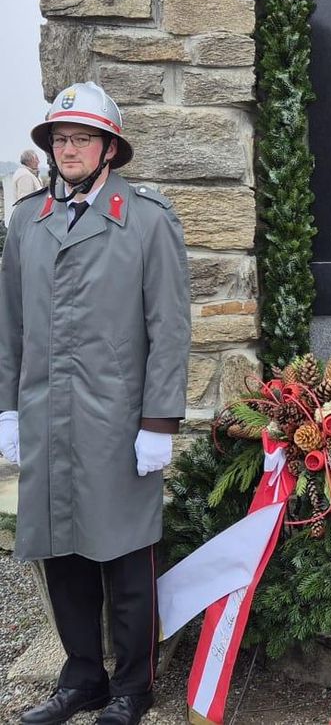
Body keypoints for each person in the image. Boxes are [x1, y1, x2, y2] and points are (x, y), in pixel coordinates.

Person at [0, 82, 191, 725]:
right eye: (60, 138)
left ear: (110, 148)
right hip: (47, 415)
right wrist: (7, 409)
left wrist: (159, 421)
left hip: (118, 422)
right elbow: (11, 329)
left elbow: (169, 327)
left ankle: (133, 687)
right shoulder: (27, 223)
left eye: (82, 138)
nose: (69, 148)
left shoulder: (147, 219)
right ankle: (82, 676)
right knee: (62, 550)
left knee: (125, 556)